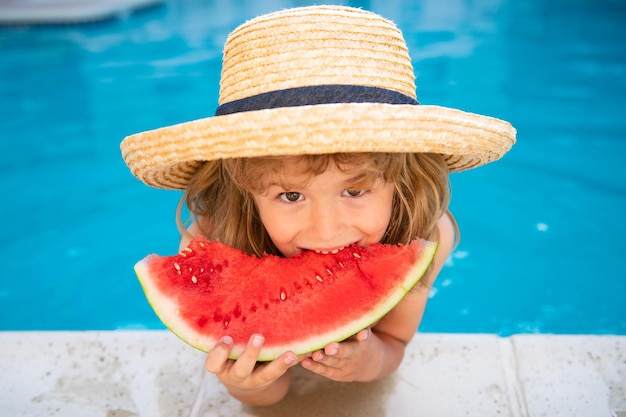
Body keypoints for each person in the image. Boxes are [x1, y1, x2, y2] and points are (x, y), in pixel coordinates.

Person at [121, 5, 515, 406]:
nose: (326, 230)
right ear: (244, 190)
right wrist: (248, 385)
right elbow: (267, 395)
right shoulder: (216, 235)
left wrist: (369, 360)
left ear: (403, 181)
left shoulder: (429, 232)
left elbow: (394, 342)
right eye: (291, 196)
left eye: (355, 191)